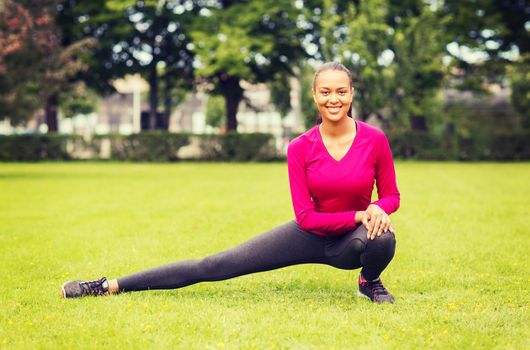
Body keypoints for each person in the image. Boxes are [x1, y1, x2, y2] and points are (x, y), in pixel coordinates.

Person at [61, 61, 400, 304]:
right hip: (311, 234)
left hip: (353, 240)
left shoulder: (374, 139)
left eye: (341, 91)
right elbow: (306, 218)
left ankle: (368, 282)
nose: (333, 99)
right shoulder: (300, 147)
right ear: (314, 96)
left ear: (352, 94)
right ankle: (106, 285)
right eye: (325, 92)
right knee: (215, 265)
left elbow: (391, 195)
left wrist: (376, 209)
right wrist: (359, 214)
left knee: (382, 238)